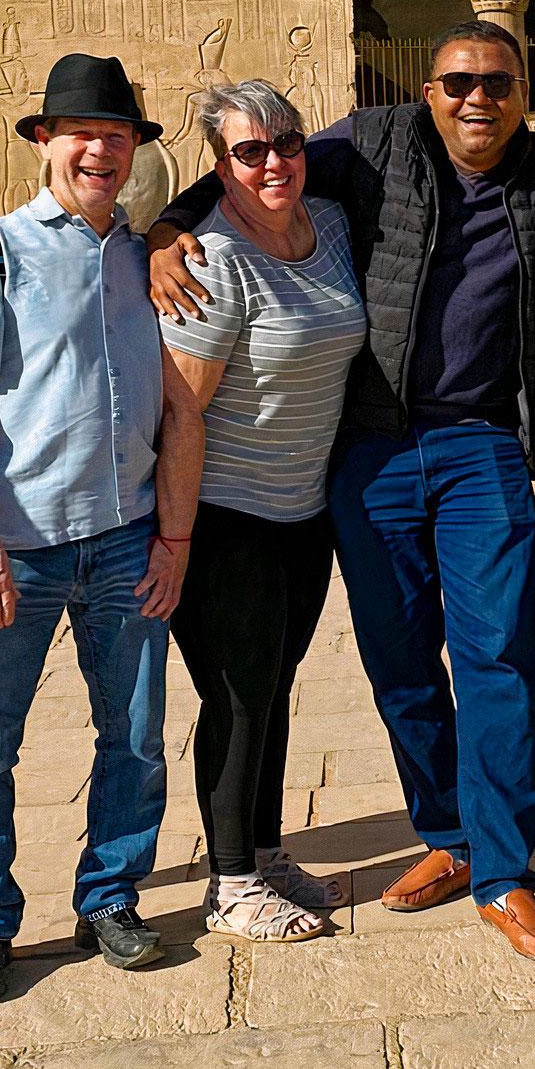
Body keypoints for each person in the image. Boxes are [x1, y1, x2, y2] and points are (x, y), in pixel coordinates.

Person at [149, 22, 535, 966]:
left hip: (482, 445)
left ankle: (506, 874)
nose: (479, 98)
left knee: (498, 658)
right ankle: (448, 832)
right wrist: (164, 229)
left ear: (522, 90)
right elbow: (252, 162)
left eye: (499, 82)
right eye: (459, 81)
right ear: (430, 90)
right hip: (372, 449)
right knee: (400, 665)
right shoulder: (375, 144)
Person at [0, 53, 175, 1004]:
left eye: (117, 137)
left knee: (138, 736)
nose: (99, 152)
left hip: (124, 538)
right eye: (82, 136)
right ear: (44, 142)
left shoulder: (143, 257)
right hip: (14, 548)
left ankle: (110, 894)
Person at [151, 79, 365, 942]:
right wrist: (174, 538)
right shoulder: (211, 259)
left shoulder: (334, 227)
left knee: (274, 691)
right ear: (219, 165)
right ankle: (231, 883)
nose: (273, 162)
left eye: (286, 143)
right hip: (226, 517)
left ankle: (266, 853)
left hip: (302, 515)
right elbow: (182, 413)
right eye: (249, 151)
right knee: (237, 698)